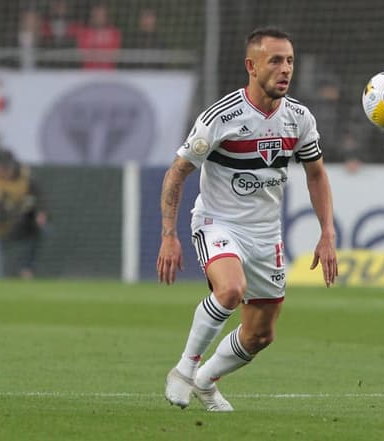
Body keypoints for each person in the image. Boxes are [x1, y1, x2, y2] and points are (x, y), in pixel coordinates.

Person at [157, 27, 338, 412]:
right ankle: (184, 370)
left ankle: (206, 381)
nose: (285, 68)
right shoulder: (221, 117)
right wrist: (169, 234)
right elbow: (177, 172)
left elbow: (317, 173)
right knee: (230, 290)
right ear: (251, 67)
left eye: (289, 60)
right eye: (275, 60)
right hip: (217, 222)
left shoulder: (299, 119)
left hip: (265, 233)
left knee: (260, 335)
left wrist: (327, 232)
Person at [0, 149, 46, 278]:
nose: (6, 170)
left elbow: (37, 196)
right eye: (2, 166)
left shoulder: (24, 176)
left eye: (8, 166)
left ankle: (26, 269)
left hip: (12, 226)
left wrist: (40, 212)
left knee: (37, 229)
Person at [75, 3, 121, 69]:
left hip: (108, 73)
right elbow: (83, 54)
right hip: (88, 72)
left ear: (106, 16)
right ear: (92, 16)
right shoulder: (84, 32)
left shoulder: (114, 32)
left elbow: (114, 54)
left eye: (101, 15)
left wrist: (95, 51)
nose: (99, 17)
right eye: (96, 15)